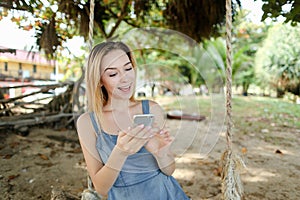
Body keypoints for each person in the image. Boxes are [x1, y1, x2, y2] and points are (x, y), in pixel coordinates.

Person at [76, 41, 190, 200]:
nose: (125, 78)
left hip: (167, 193)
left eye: (128, 68)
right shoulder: (88, 122)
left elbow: (169, 171)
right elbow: (101, 188)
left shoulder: (151, 109)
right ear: (100, 80)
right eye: (113, 74)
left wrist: (161, 154)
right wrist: (120, 152)